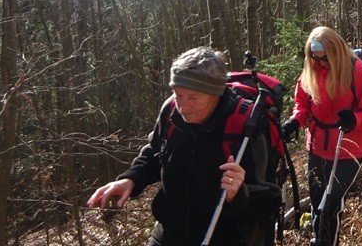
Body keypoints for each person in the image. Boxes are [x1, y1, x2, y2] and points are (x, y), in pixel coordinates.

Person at [87, 47, 281, 246]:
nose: (183, 106)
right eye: (178, 94)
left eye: (194, 98)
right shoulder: (171, 111)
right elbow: (156, 152)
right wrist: (132, 178)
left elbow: (269, 202)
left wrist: (238, 195)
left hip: (226, 238)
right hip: (168, 235)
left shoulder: (245, 126)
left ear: (216, 93)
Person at [279, 27, 362, 246]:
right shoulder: (311, 69)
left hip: (347, 147)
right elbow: (302, 104)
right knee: (316, 201)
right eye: (316, 58)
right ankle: (320, 239)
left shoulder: (358, 71)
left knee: (330, 205)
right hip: (316, 145)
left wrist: (354, 119)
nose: (321, 63)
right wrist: (295, 121)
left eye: (325, 59)